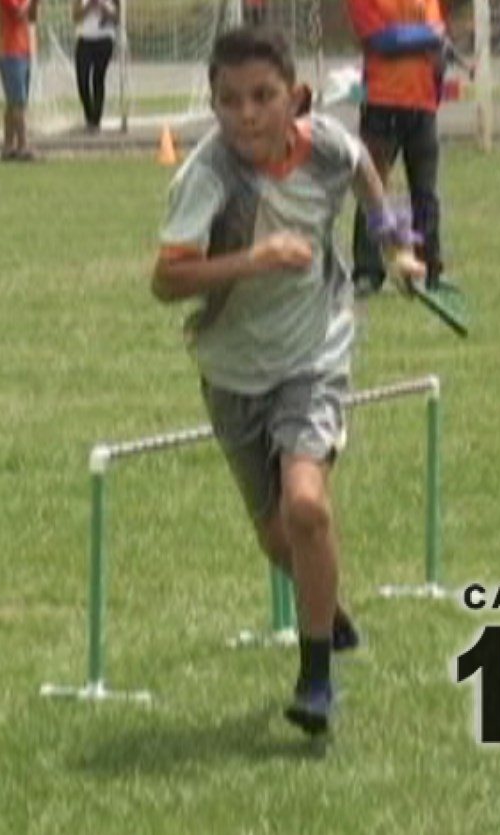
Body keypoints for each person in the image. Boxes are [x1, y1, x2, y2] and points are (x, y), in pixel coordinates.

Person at [151, 26, 425, 735]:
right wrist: (256, 258)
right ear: (212, 105)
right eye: (229, 100)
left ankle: (314, 681)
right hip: (231, 369)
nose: (247, 113)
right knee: (277, 537)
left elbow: (365, 170)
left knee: (307, 507)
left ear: (295, 97)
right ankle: (327, 611)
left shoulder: (327, 144)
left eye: (263, 97)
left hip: (314, 350)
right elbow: (165, 279)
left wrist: (397, 243)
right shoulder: (206, 176)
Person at [346, 0, 453, 295]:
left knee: (426, 193)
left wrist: (437, 69)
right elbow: (381, 40)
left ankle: (430, 268)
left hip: (422, 105)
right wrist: (430, 35)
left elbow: (438, 44)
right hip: (382, 104)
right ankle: (368, 272)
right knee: (373, 189)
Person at [0, 0, 35, 160]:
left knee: (13, 102)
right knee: (18, 102)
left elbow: (31, 16)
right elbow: (17, 13)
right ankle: (23, 145)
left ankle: (9, 145)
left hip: (22, 48)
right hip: (10, 50)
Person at [71, 0, 116, 132]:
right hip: (84, 40)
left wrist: (104, 10)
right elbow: (75, 17)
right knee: (82, 80)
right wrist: (89, 6)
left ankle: (95, 120)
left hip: (104, 39)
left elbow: (116, 19)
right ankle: (89, 114)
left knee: (98, 78)